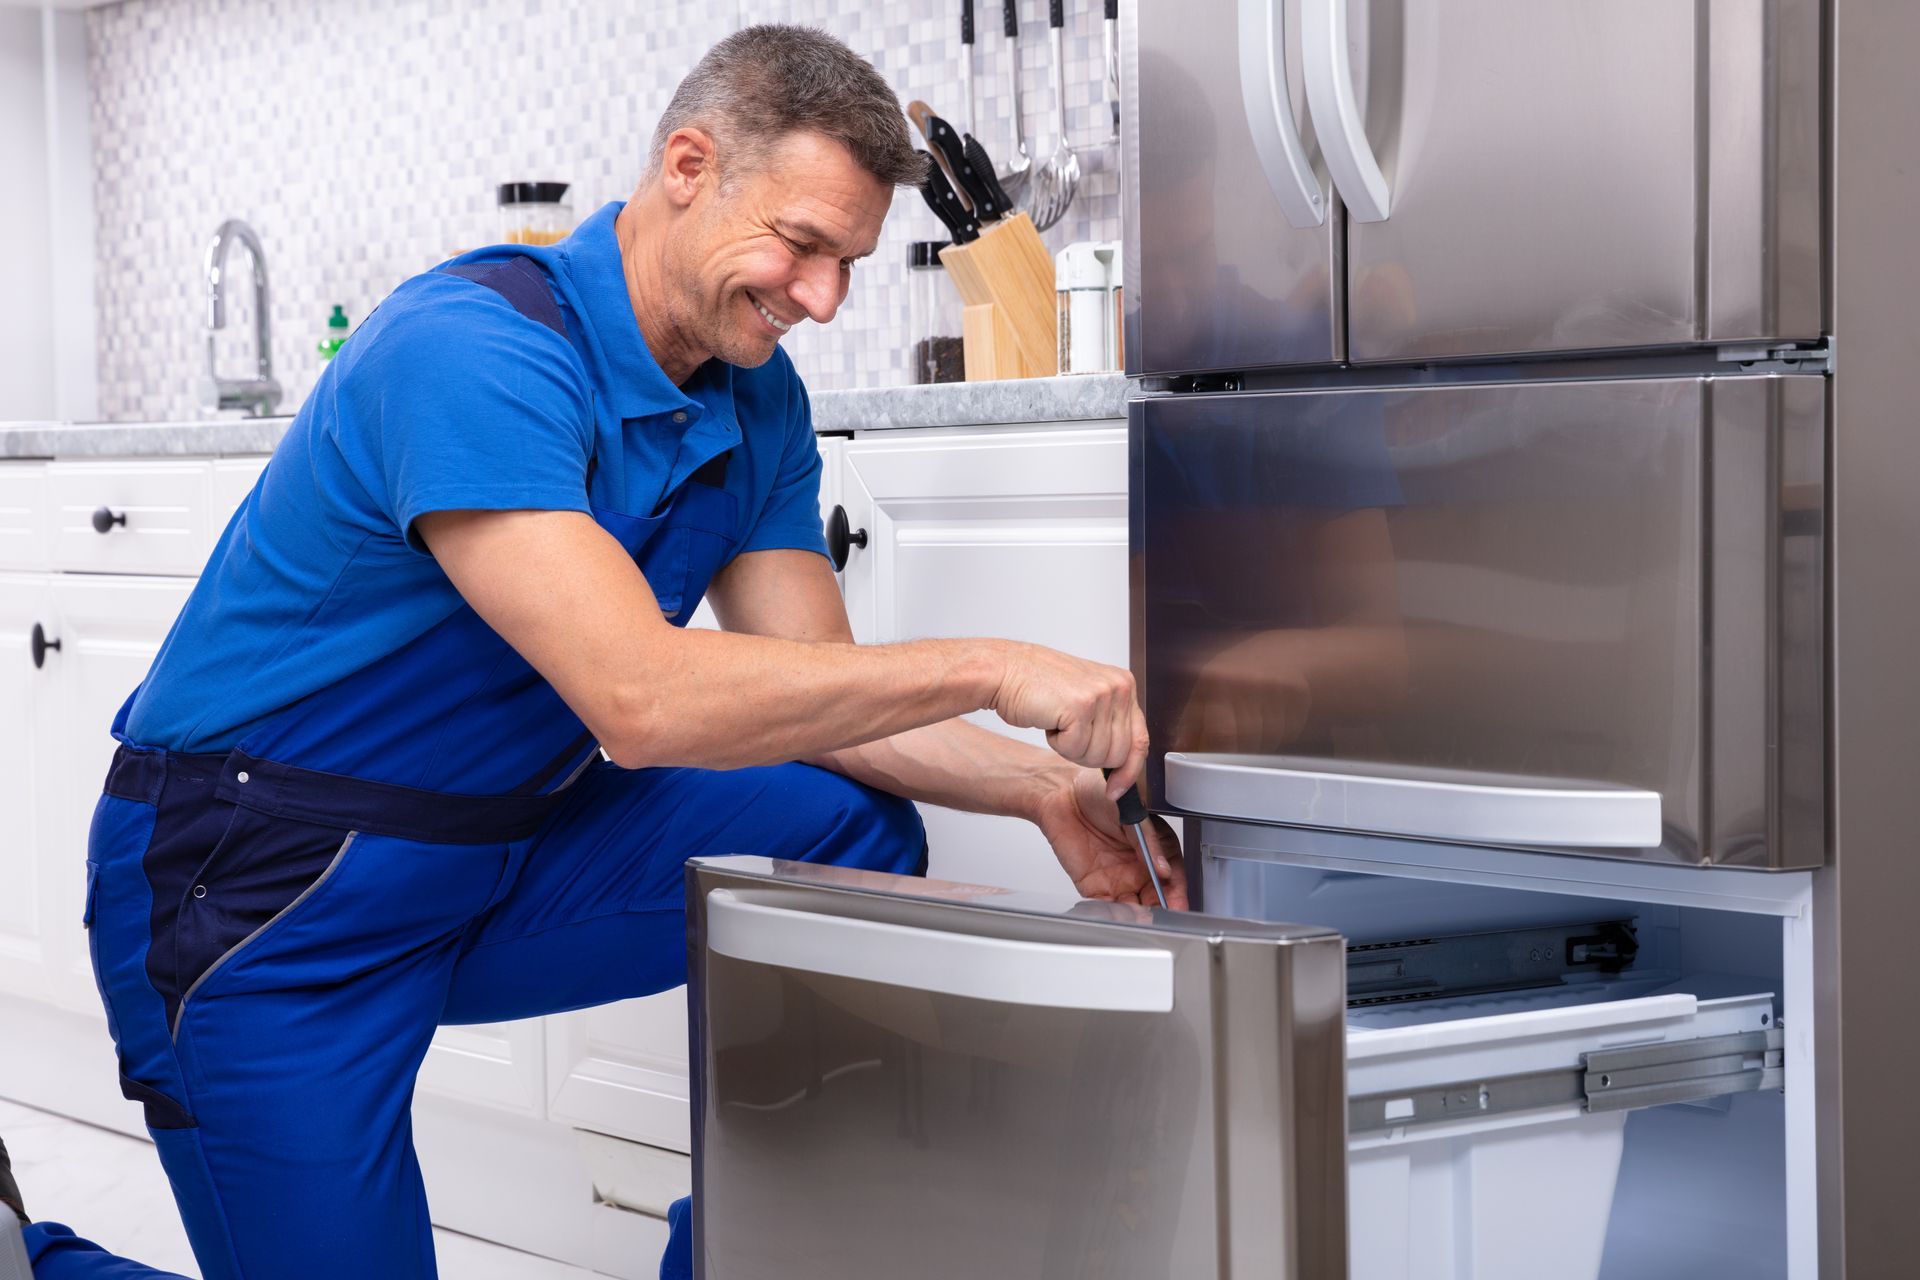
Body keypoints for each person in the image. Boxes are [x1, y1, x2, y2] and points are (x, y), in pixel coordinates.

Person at [42, 23, 1183, 1280]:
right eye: (802, 247)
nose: (823, 298)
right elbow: (639, 697)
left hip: (501, 853)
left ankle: (742, 1251)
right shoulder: (472, 350)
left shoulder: (755, 400)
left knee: (837, 828)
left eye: (847, 262)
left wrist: (1042, 790)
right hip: (259, 891)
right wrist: (994, 666)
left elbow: (824, 702)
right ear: (689, 165)